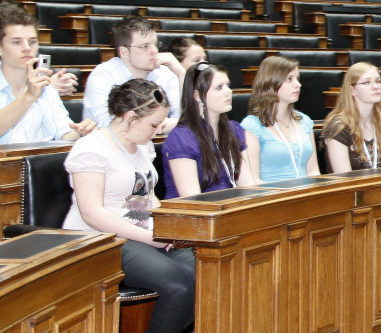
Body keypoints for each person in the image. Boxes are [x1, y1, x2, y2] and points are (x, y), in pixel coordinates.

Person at [63, 79, 193, 333]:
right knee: (177, 286)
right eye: (153, 124)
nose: (156, 131)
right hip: (102, 240)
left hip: (144, 232)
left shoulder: (141, 145)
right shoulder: (91, 148)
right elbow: (93, 213)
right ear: (131, 117)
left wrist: (171, 228)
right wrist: (151, 237)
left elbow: (148, 198)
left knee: (206, 272)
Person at [162, 62, 260, 198]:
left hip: (229, 208)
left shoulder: (233, 129)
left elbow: (247, 185)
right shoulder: (181, 138)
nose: (229, 91)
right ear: (197, 96)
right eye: (219, 87)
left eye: (228, 85)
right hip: (196, 214)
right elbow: (193, 199)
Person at [0, 3, 96, 143]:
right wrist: (29, 96)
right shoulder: (40, 88)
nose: (27, 48)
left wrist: (81, 131)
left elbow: (63, 133)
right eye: (16, 42)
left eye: (32, 41)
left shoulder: (46, 88)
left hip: (41, 162)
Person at [83, 15, 183, 133]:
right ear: (124, 52)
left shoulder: (165, 73)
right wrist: (161, 124)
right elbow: (109, 125)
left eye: (155, 44)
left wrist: (182, 74)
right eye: (144, 46)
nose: (154, 51)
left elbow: (186, 119)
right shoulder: (103, 75)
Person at [241, 56, 320, 182]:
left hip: (306, 195)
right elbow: (253, 181)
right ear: (270, 83)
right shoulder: (252, 125)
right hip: (273, 198)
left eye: (297, 79)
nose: (298, 84)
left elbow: (313, 171)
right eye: (289, 79)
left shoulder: (305, 121)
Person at [321, 62, 381, 172]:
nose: (376, 87)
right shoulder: (338, 128)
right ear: (352, 90)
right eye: (367, 82)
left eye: (378, 81)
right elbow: (345, 180)